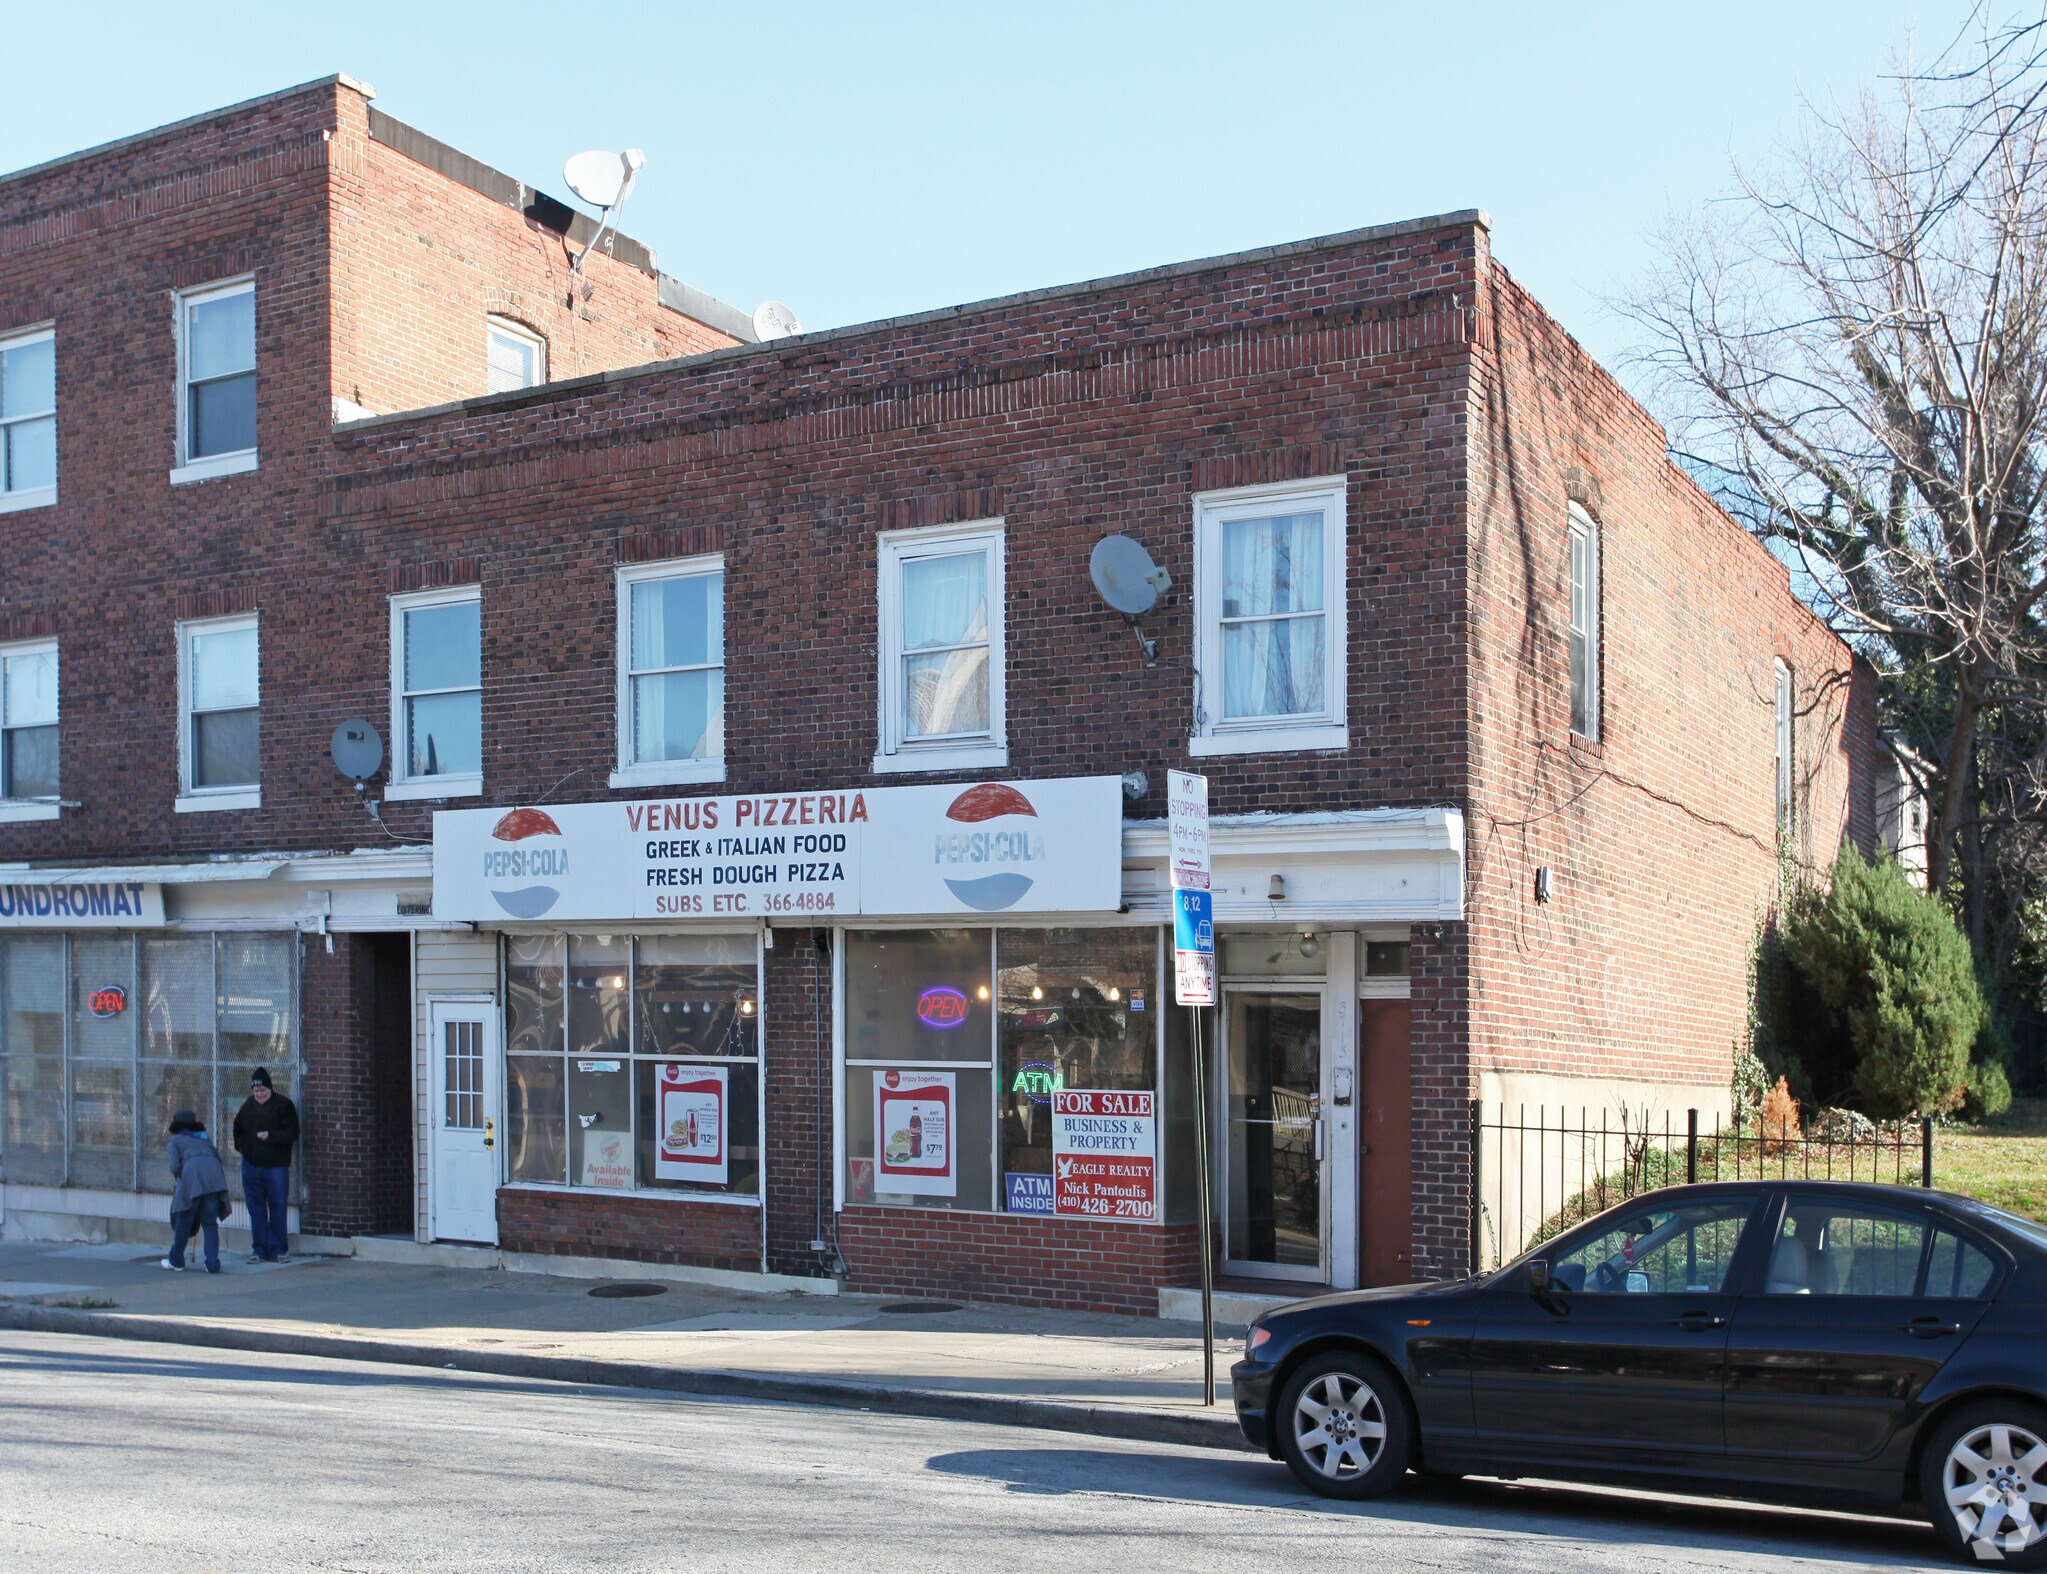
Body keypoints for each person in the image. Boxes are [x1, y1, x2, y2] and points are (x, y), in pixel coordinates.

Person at [232, 1068, 300, 1263]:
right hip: (251, 1164)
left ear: (270, 1088)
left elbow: (292, 1133)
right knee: (256, 1208)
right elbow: (237, 1130)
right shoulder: (248, 1106)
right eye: (256, 1092)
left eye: (262, 1091)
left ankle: (278, 1248)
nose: (259, 1095)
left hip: (276, 1165)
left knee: (278, 1206)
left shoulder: (283, 1105)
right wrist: (244, 1148)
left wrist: (271, 1136)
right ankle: (259, 1248)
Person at [164, 1111, 229, 1274]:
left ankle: (176, 1260)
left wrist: (180, 1180)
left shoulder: (174, 1140)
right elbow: (217, 1159)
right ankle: (213, 1264)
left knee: (184, 1220)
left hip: (192, 1179)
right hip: (214, 1179)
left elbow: (174, 1166)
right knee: (209, 1223)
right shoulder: (203, 1138)